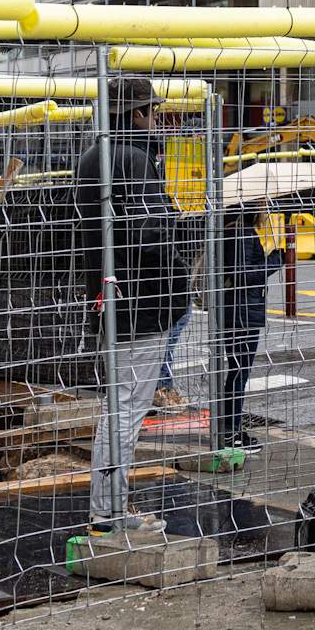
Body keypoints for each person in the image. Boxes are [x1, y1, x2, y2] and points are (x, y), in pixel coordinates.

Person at [76, 77, 192, 537]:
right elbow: (151, 233)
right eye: (152, 112)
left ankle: (109, 509)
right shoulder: (136, 159)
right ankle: (108, 515)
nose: (158, 120)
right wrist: (181, 270)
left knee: (117, 407)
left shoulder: (90, 157)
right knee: (125, 412)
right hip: (143, 302)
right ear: (135, 114)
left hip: (111, 298)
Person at [209, 209, 281, 452]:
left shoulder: (231, 230)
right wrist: (274, 261)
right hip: (242, 313)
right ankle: (232, 432)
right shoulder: (242, 233)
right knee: (239, 373)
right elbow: (243, 273)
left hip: (235, 310)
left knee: (235, 372)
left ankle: (230, 428)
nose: (266, 212)